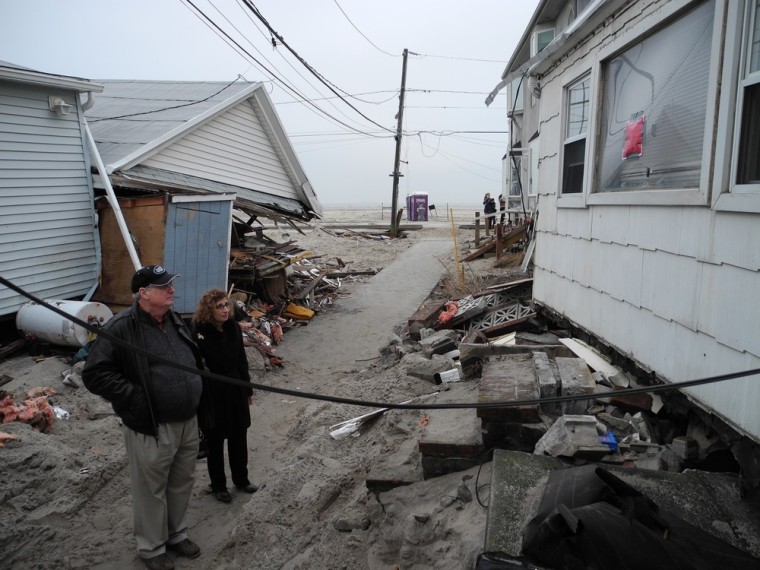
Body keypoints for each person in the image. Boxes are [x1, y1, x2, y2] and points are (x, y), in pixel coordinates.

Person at [82, 265, 204, 570]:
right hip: (151, 424)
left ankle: (176, 534)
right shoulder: (122, 327)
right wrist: (135, 397)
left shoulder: (174, 319)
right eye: (164, 287)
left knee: (181, 481)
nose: (172, 290)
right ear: (144, 294)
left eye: (171, 284)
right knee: (151, 489)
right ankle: (151, 548)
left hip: (187, 420)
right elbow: (95, 374)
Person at [191, 289, 257, 504]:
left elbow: (241, 360)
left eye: (226, 305)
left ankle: (241, 479)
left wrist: (247, 389)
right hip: (213, 392)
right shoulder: (199, 332)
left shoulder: (233, 328)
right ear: (209, 309)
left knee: (239, 436)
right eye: (219, 306)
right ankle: (218, 485)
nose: (225, 310)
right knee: (216, 441)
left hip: (236, 388)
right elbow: (201, 364)